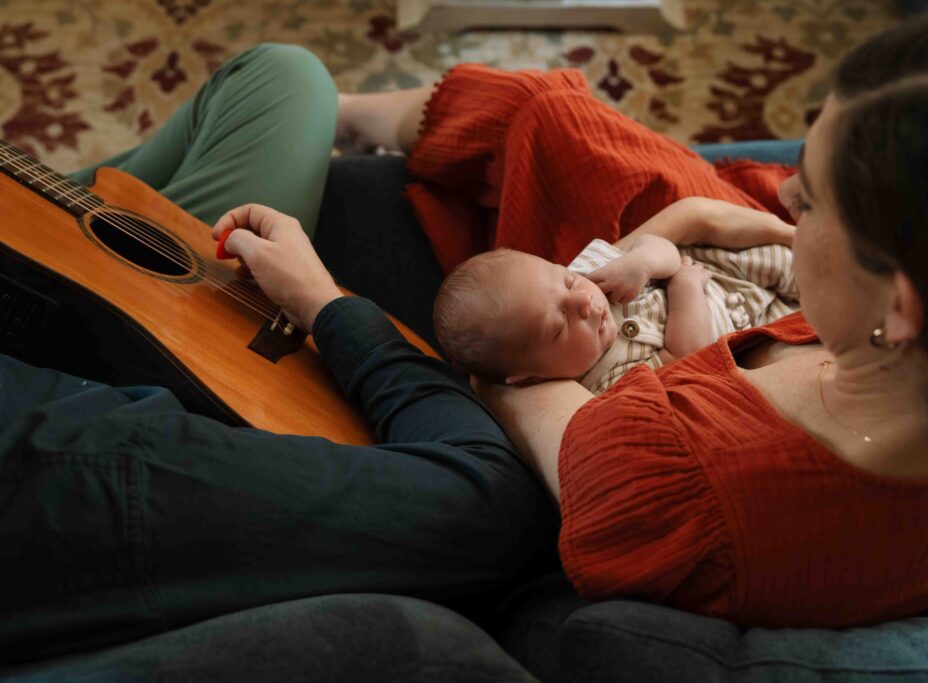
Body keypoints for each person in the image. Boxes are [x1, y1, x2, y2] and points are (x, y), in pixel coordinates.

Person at [0, 46, 558, 669]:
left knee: (283, 73)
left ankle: (1, 200)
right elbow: (487, 507)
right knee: (291, 86)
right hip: (40, 371)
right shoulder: (84, 471)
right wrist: (322, 302)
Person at [337, 18, 928, 628]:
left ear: (898, 305)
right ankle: (352, 115)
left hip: (630, 313)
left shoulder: (676, 486)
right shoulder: (872, 343)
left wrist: (318, 299)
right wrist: (642, 258)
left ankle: (348, 119)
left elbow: (493, 374)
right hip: (708, 272)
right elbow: (699, 226)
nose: (786, 196)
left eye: (812, 200)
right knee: (558, 122)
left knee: (544, 124)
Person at [433, 197, 797, 390]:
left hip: (722, 272)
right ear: (530, 377)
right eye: (559, 325)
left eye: (566, 281)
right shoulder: (608, 385)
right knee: (808, 324)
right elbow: (691, 357)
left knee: (795, 262)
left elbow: (666, 248)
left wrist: (640, 262)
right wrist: (685, 290)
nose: (584, 302)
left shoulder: (593, 270)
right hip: (751, 326)